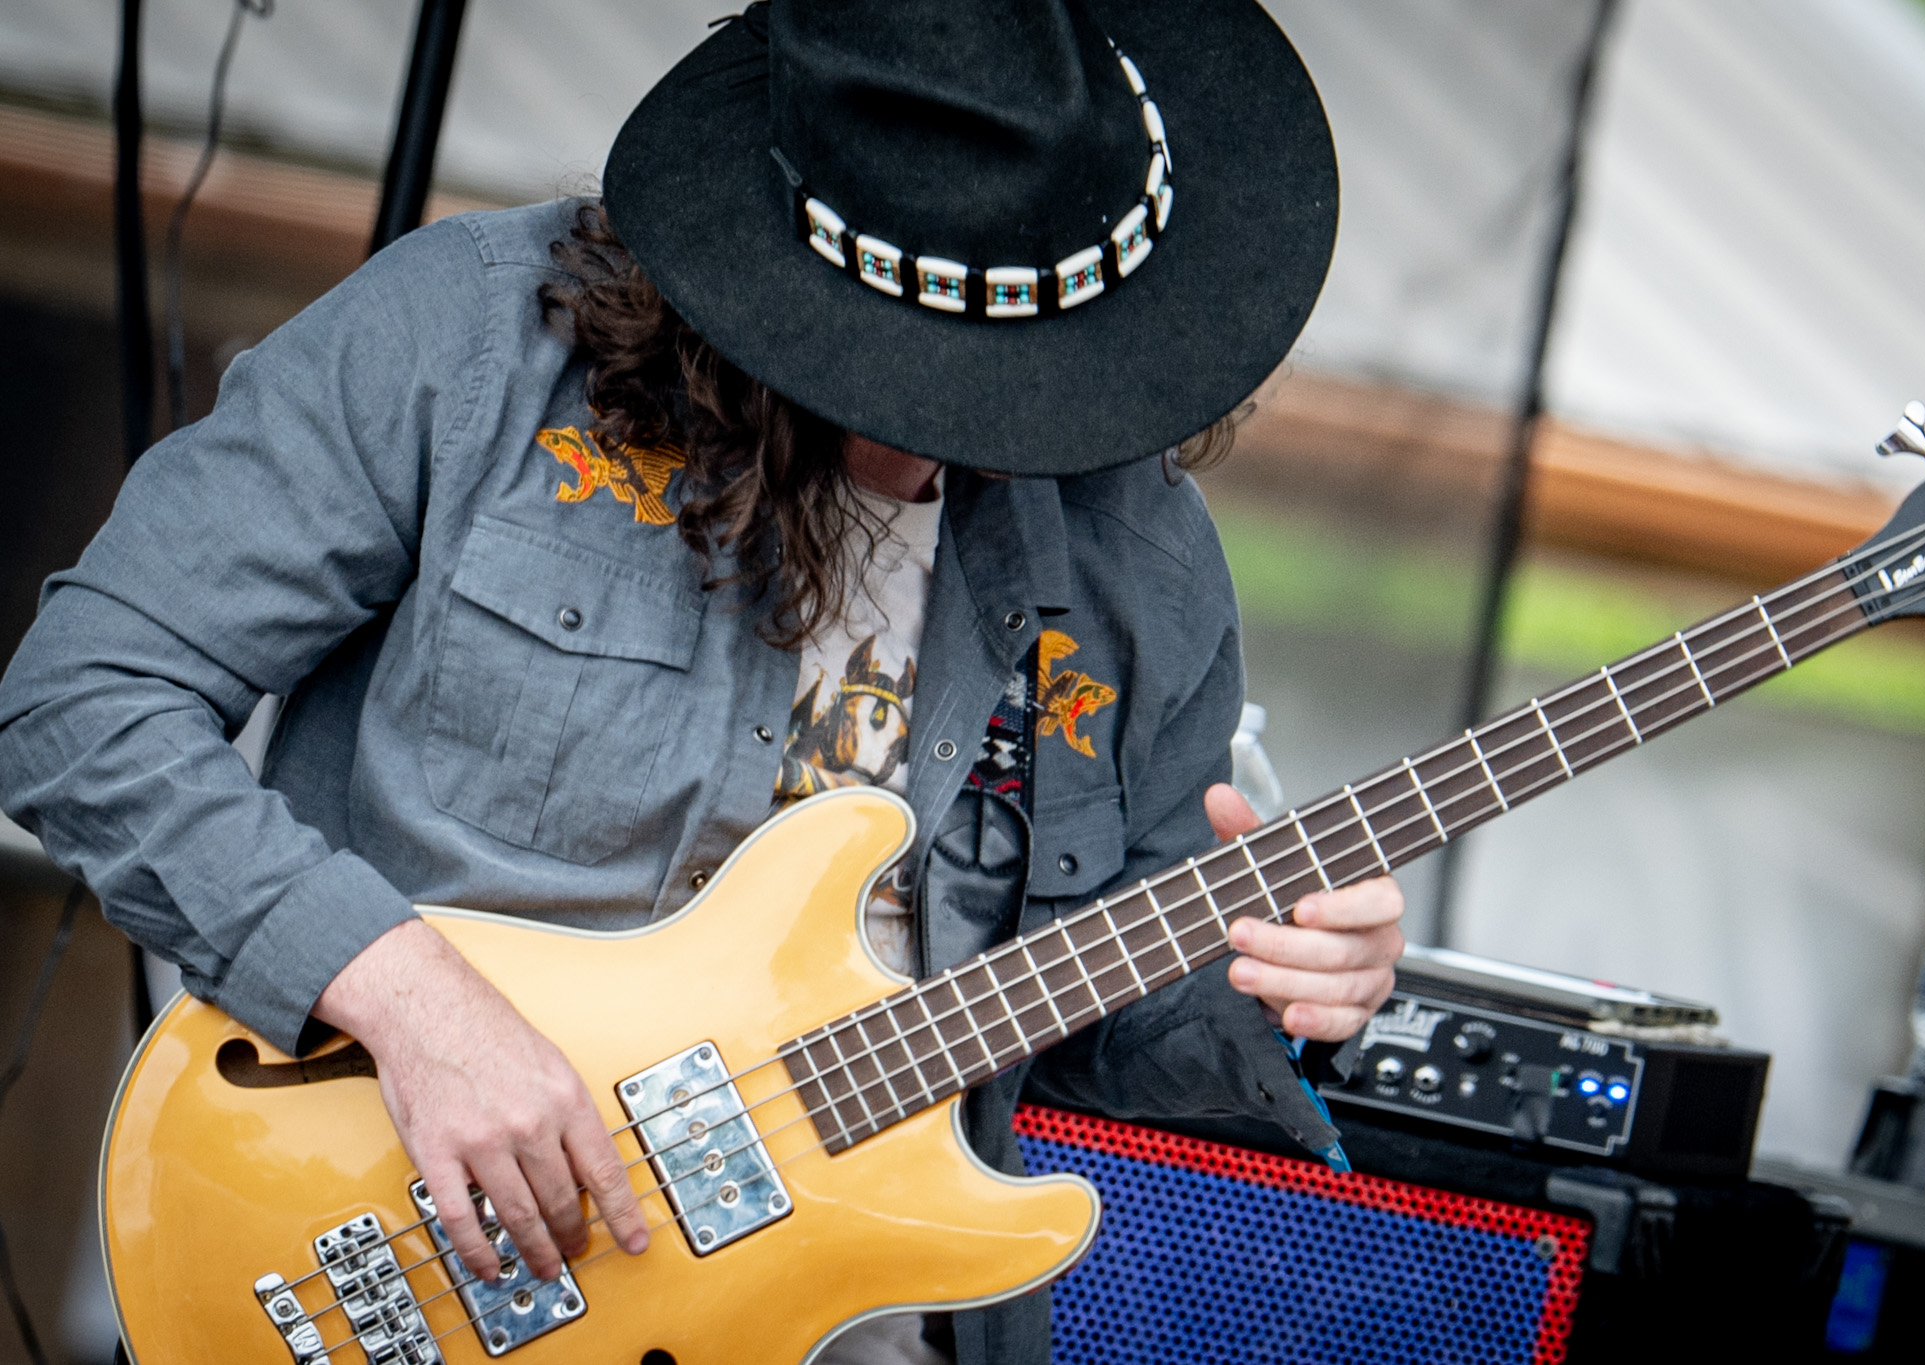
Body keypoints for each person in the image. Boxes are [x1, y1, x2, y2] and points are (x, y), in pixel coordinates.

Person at [0, 2, 1402, 1362]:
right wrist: (412, 1002)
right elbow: (85, 697)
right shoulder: (475, 342)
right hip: (399, 1248)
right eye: (911, 365)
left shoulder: (1141, 563)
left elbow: (1108, 1020)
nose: (933, 439)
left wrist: (1286, 983)